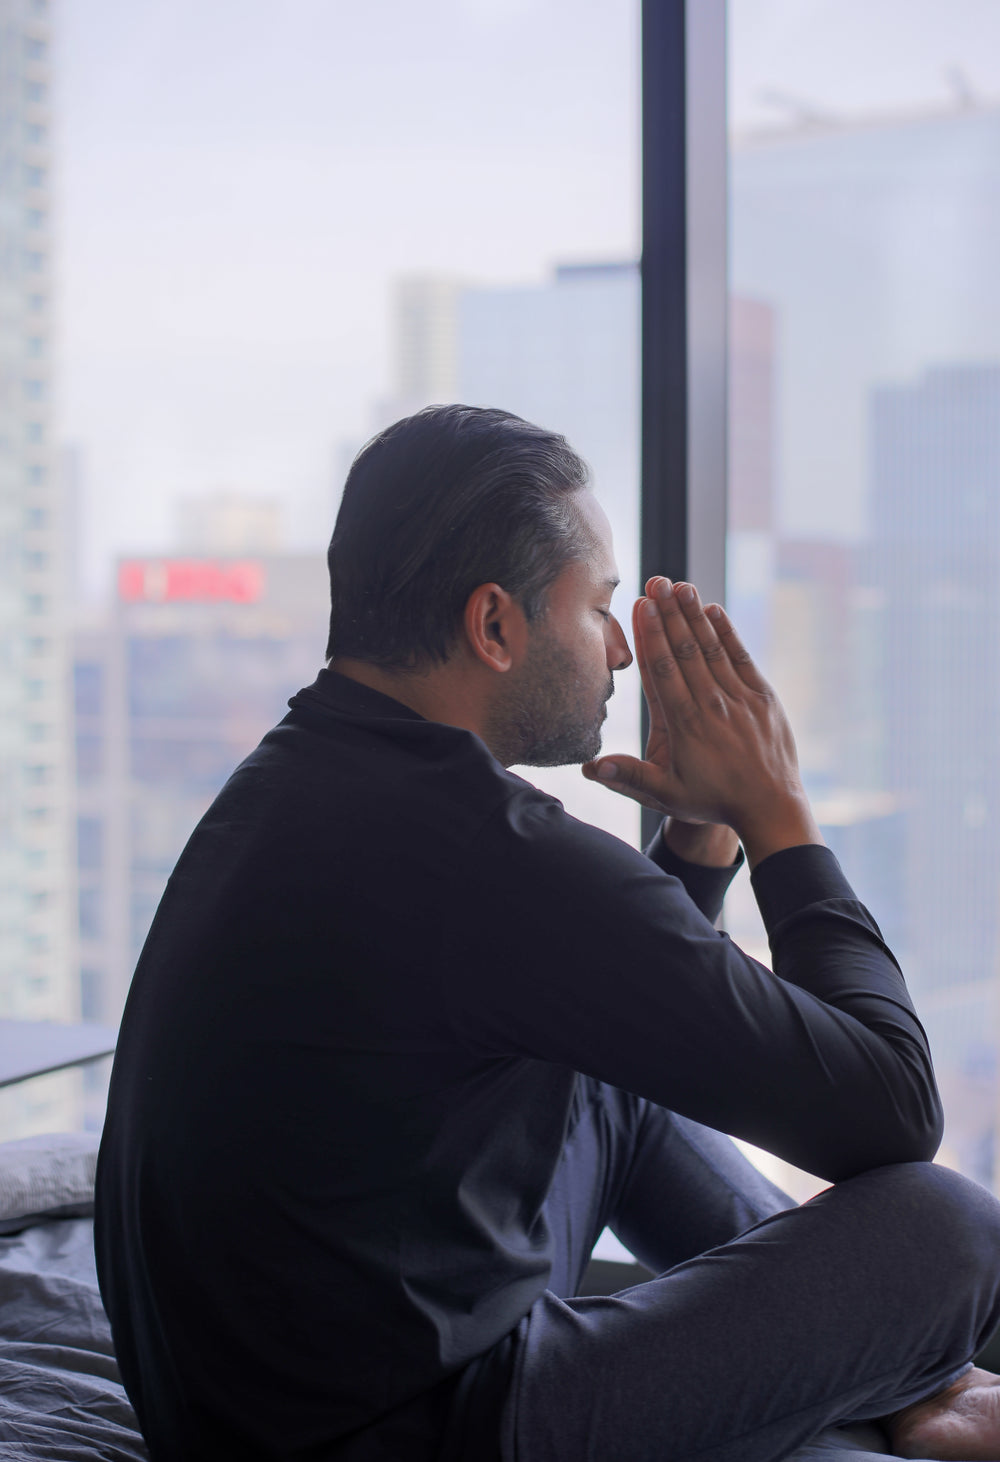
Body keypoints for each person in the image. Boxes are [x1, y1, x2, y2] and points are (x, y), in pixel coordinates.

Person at [96, 404, 1000, 1462]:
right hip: (412, 1432)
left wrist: (700, 836)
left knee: (606, 1085)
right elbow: (889, 1112)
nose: (619, 649)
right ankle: (914, 1373)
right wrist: (778, 816)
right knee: (944, 1228)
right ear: (495, 625)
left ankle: (903, 1378)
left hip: (259, 1407)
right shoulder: (489, 851)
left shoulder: (294, 778)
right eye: (600, 608)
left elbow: (628, 1012)